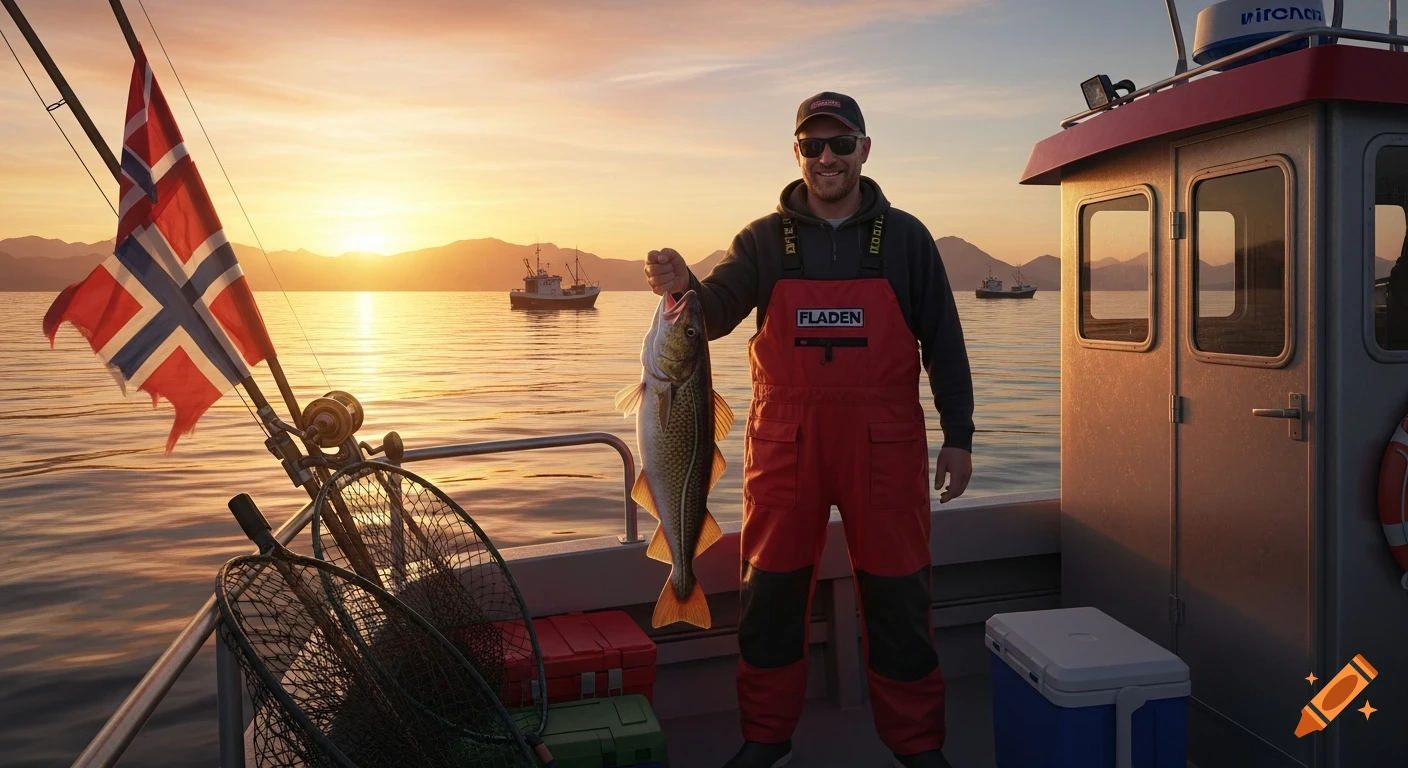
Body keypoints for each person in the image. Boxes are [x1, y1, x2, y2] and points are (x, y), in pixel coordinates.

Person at [644, 92, 973, 768]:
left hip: (885, 447)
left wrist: (960, 435)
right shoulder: (763, 240)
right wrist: (683, 290)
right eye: (813, 145)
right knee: (770, 593)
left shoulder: (906, 238)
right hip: (784, 445)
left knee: (899, 595)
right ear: (797, 153)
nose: (827, 157)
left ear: (864, 149)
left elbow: (944, 340)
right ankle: (765, 737)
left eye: (841, 143)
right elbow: (716, 311)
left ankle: (917, 745)